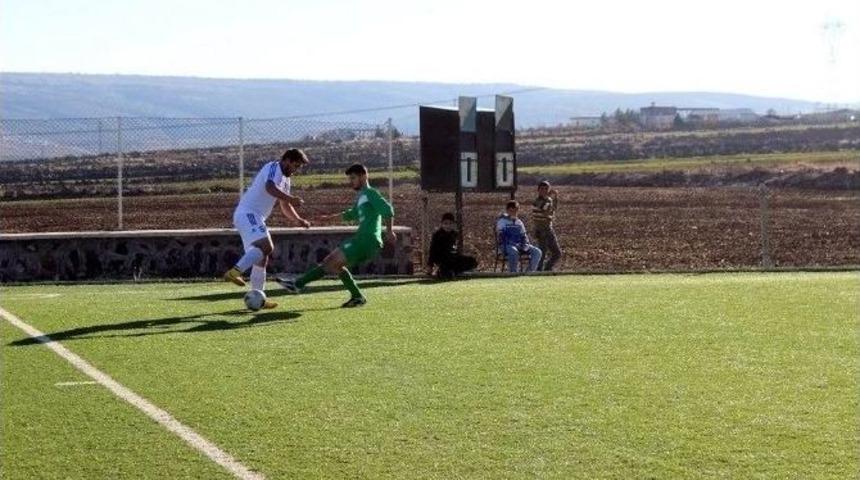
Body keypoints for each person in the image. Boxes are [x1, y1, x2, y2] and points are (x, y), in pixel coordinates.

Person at [278, 163, 395, 308]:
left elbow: (387, 209)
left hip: (367, 240)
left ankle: (297, 284)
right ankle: (357, 297)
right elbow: (350, 214)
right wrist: (327, 218)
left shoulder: (370, 193)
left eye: (353, 178)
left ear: (363, 177)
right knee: (335, 265)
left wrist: (389, 231)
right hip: (363, 240)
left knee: (331, 262)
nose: (350, 182)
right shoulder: (361, 196)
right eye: (349, 179)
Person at [223, 149, 311, 309]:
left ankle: (258, 298)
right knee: (266, 246)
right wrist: (291, 198)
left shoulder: (286, 180)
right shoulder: (273, 167)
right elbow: (270, 187)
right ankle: (234, 272)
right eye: (295, 166)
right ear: (286, 160)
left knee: (262, 258)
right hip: (247, 214)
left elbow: (285, 205)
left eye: (298, 167)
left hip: (254, 217)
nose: (296, 170)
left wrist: (298, 220)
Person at [427, 213, 478, 279]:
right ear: (442, 224)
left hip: (453, 258)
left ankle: (454, 271)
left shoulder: (454, 234)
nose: (448, 226)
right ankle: (444, 271)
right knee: (446, 269)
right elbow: (432, 251)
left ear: (453, 224)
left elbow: (455, 249)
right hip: (442, 260)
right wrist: (430, 265)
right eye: (445, 223)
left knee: (472, 261)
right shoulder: (437, 235)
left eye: (450, 223)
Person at [496, 201, 542, 273]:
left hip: (520, 244)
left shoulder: (519, 222)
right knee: (514, 251)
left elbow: (524, 235)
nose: (513, 213)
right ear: (507, 210)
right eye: (511, 211)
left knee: (537, 252)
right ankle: (513, 273)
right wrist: (514, 244)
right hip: (506, 245)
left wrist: (525, 244)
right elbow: (502, 236)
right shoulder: (502, 221)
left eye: (515, 211)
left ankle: (528, 273)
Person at [532, 180, 562, 271]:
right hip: (542, 229)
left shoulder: (548, 200)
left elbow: (553, 209)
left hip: (548, 228)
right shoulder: (537, 201)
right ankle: (540, 270)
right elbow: (545, 208)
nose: (544, 190)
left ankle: (546, 269)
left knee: (555, 253)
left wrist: (555, 198)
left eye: (546, 189)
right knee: (544, 252)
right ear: (538, 190)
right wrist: (550, 197)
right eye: (542, 189)